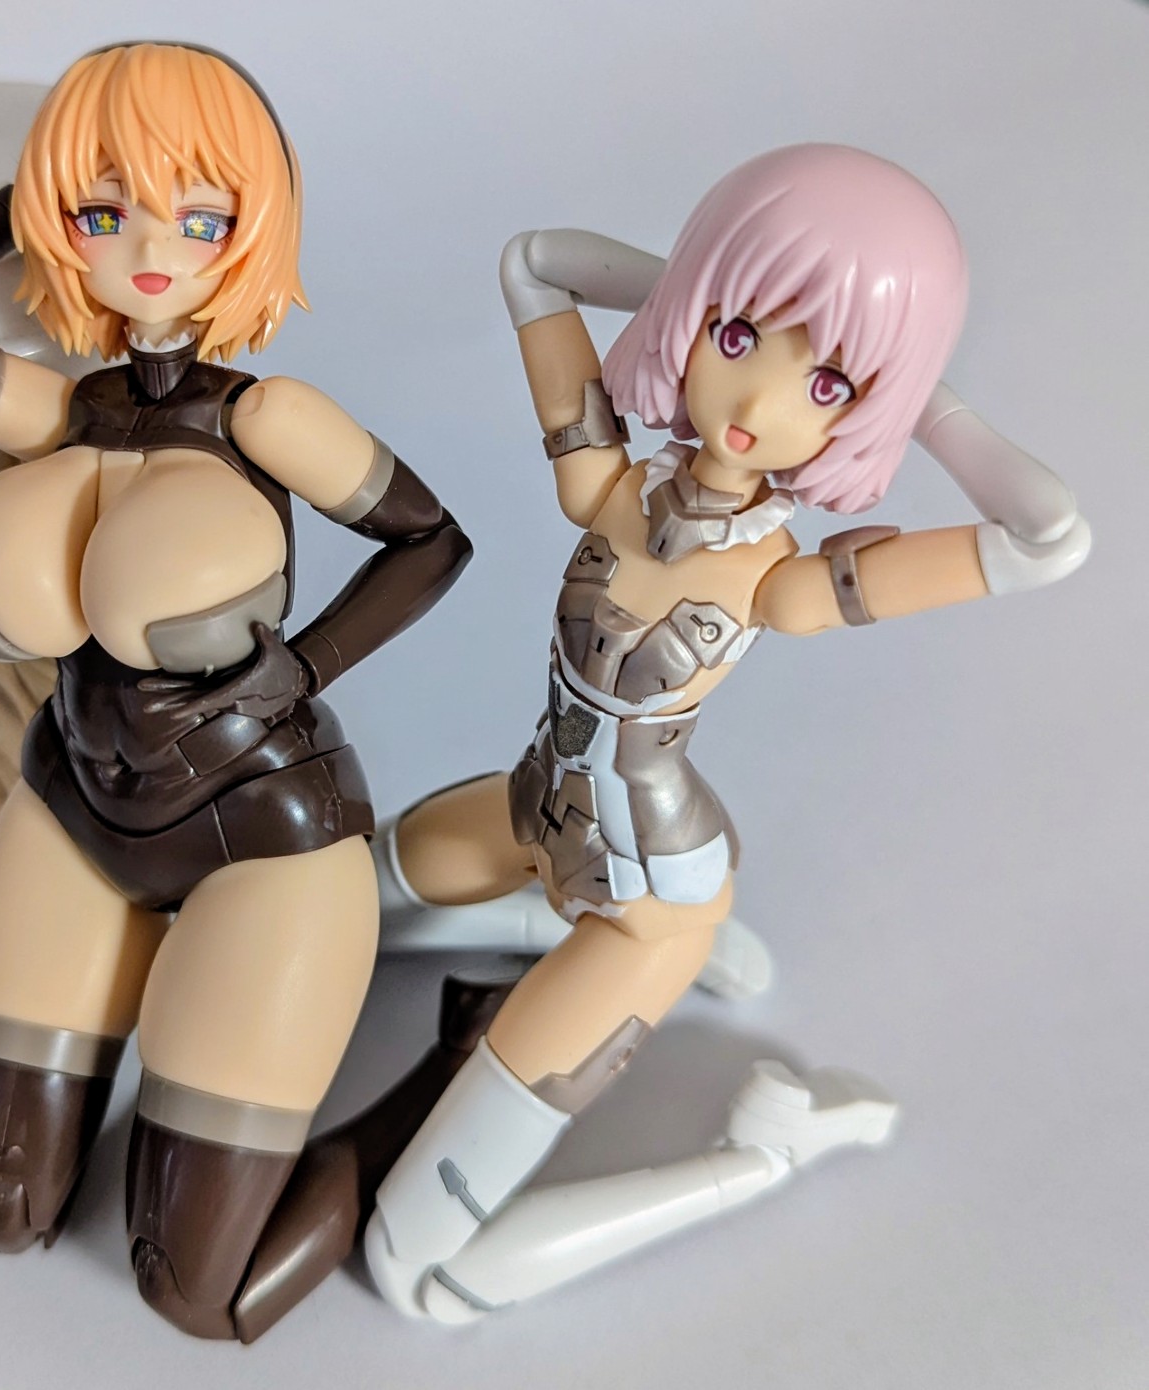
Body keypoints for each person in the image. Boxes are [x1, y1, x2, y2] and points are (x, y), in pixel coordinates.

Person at [0, 42, 471, 1341]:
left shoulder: (269, 418)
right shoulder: (60, 411)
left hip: (264, 834)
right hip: (73, 807)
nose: (155, 249)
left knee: (194, 1289)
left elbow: (430, 540)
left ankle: (444, 1074)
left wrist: (307, 665)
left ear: (253, 227)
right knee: (4, 1208)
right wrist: (17, 207)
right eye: (108, 212)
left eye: (201, 214)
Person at [363, 144, 1090, 1321]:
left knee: (417, 1270)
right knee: (326, 892)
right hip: (528, 808)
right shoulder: (610, 489)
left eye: (827, 386)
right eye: (740, 340)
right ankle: (547, 919)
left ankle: (764, 1154)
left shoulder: (778, 583)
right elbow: (534, 263)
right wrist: (705, 283)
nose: (754, 407)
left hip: (648, 895)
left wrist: (912, 393)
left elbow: (1047, 536)